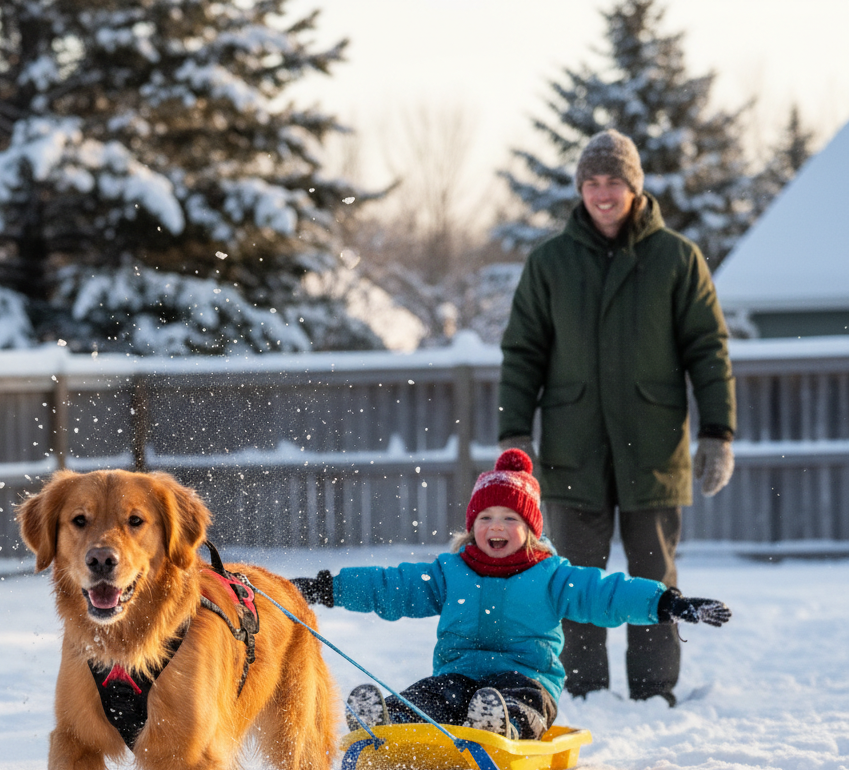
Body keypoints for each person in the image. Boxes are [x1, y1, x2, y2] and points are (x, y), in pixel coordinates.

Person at [498, 129, 737, 706]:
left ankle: (655, 692)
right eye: (592, 182)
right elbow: (523, 352)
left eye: (614, 182)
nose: (603, 194)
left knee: (653, 576)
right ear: (580, 188)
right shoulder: (550, 262)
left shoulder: (677, 258)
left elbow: (708, 349)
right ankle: (584, 692)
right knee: (574, 578)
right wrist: (514, 434)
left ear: (635, 188)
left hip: (653, 445)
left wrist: (718, 432)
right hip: (571, 445)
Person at [291, 450, 730, 739]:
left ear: (531, 529)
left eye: (509, 518)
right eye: (485, 517)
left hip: (528, 678)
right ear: (471, 526)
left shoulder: (552, 576)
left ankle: (504, 725)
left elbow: (607, 593)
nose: (496, 526)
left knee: (523, 700)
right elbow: (393, 585)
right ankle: (388, 721)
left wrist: (667, 602)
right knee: (433, 695)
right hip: (460, 676)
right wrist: (326, 588)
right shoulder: (451, 572)